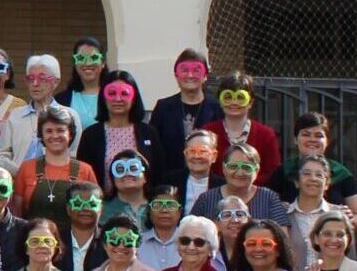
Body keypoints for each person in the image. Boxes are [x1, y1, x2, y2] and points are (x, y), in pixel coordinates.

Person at [272, 112, 357, 227]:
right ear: (296, 140)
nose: (312, 139)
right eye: (306, 134)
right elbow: (270, 210)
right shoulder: (283, 171)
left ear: (327, 141)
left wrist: (345, 219)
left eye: (319, 136)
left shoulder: (341, 173)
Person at [15, 107, 97, 229]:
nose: (55, 135)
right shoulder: (27, 168)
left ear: (70, 134)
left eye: (60, 130)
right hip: (34, 242)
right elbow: (17, 213)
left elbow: (94, 213)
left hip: (73, 243)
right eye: (49, 131)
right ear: (41, 135)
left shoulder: (85, 170)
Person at [149, 50, 223, 183]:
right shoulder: (163, 107)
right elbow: (154, 149)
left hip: (209, 181)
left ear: (205, 75)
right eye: (184, 70)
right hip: (170, 181)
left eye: (196, 70)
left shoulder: (217, 108)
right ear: (176, 75)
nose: (190, 75)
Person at [79, 75, 159, 191]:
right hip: (101, 205)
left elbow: (159, 173)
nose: (117, 99)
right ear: (103, 98)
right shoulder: (90, 135)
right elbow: (84, 177)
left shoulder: (149, 132)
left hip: (143, 205)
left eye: (124, 93)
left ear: (134, 98)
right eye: (111, 93)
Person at [0, 54, 73, 169]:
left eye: (42, 78)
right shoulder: (16, 115)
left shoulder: (70, 116)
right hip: (19, 182)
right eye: (30, 79)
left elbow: (73, 156)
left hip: (57, 182)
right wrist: (19, 173)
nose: (35, 84)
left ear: (56, 82)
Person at [207, 71, 282, 187]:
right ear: (220, 101)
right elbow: (205, 170)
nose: (234, 102)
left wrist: (243, 185)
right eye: (228, 97)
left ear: (251, 102)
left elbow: (272, 174)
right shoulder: (208, 132)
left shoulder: (266, 135)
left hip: (256, 198)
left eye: (240, 97)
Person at [188, 143, 286, 225]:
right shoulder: (206, 199)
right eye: (233, 166)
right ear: (224, 168)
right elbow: (189, 234)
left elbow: (282, 238)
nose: (240, 173)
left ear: (256, 170)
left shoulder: (269, 198)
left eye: (246, 167)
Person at [284, 160, 354, 268]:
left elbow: (350, 258)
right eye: (307, 174)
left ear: (327, 184)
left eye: (319, 175)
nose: (313, 179)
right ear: (297, 182)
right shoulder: (282, 214)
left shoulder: (340, 216)